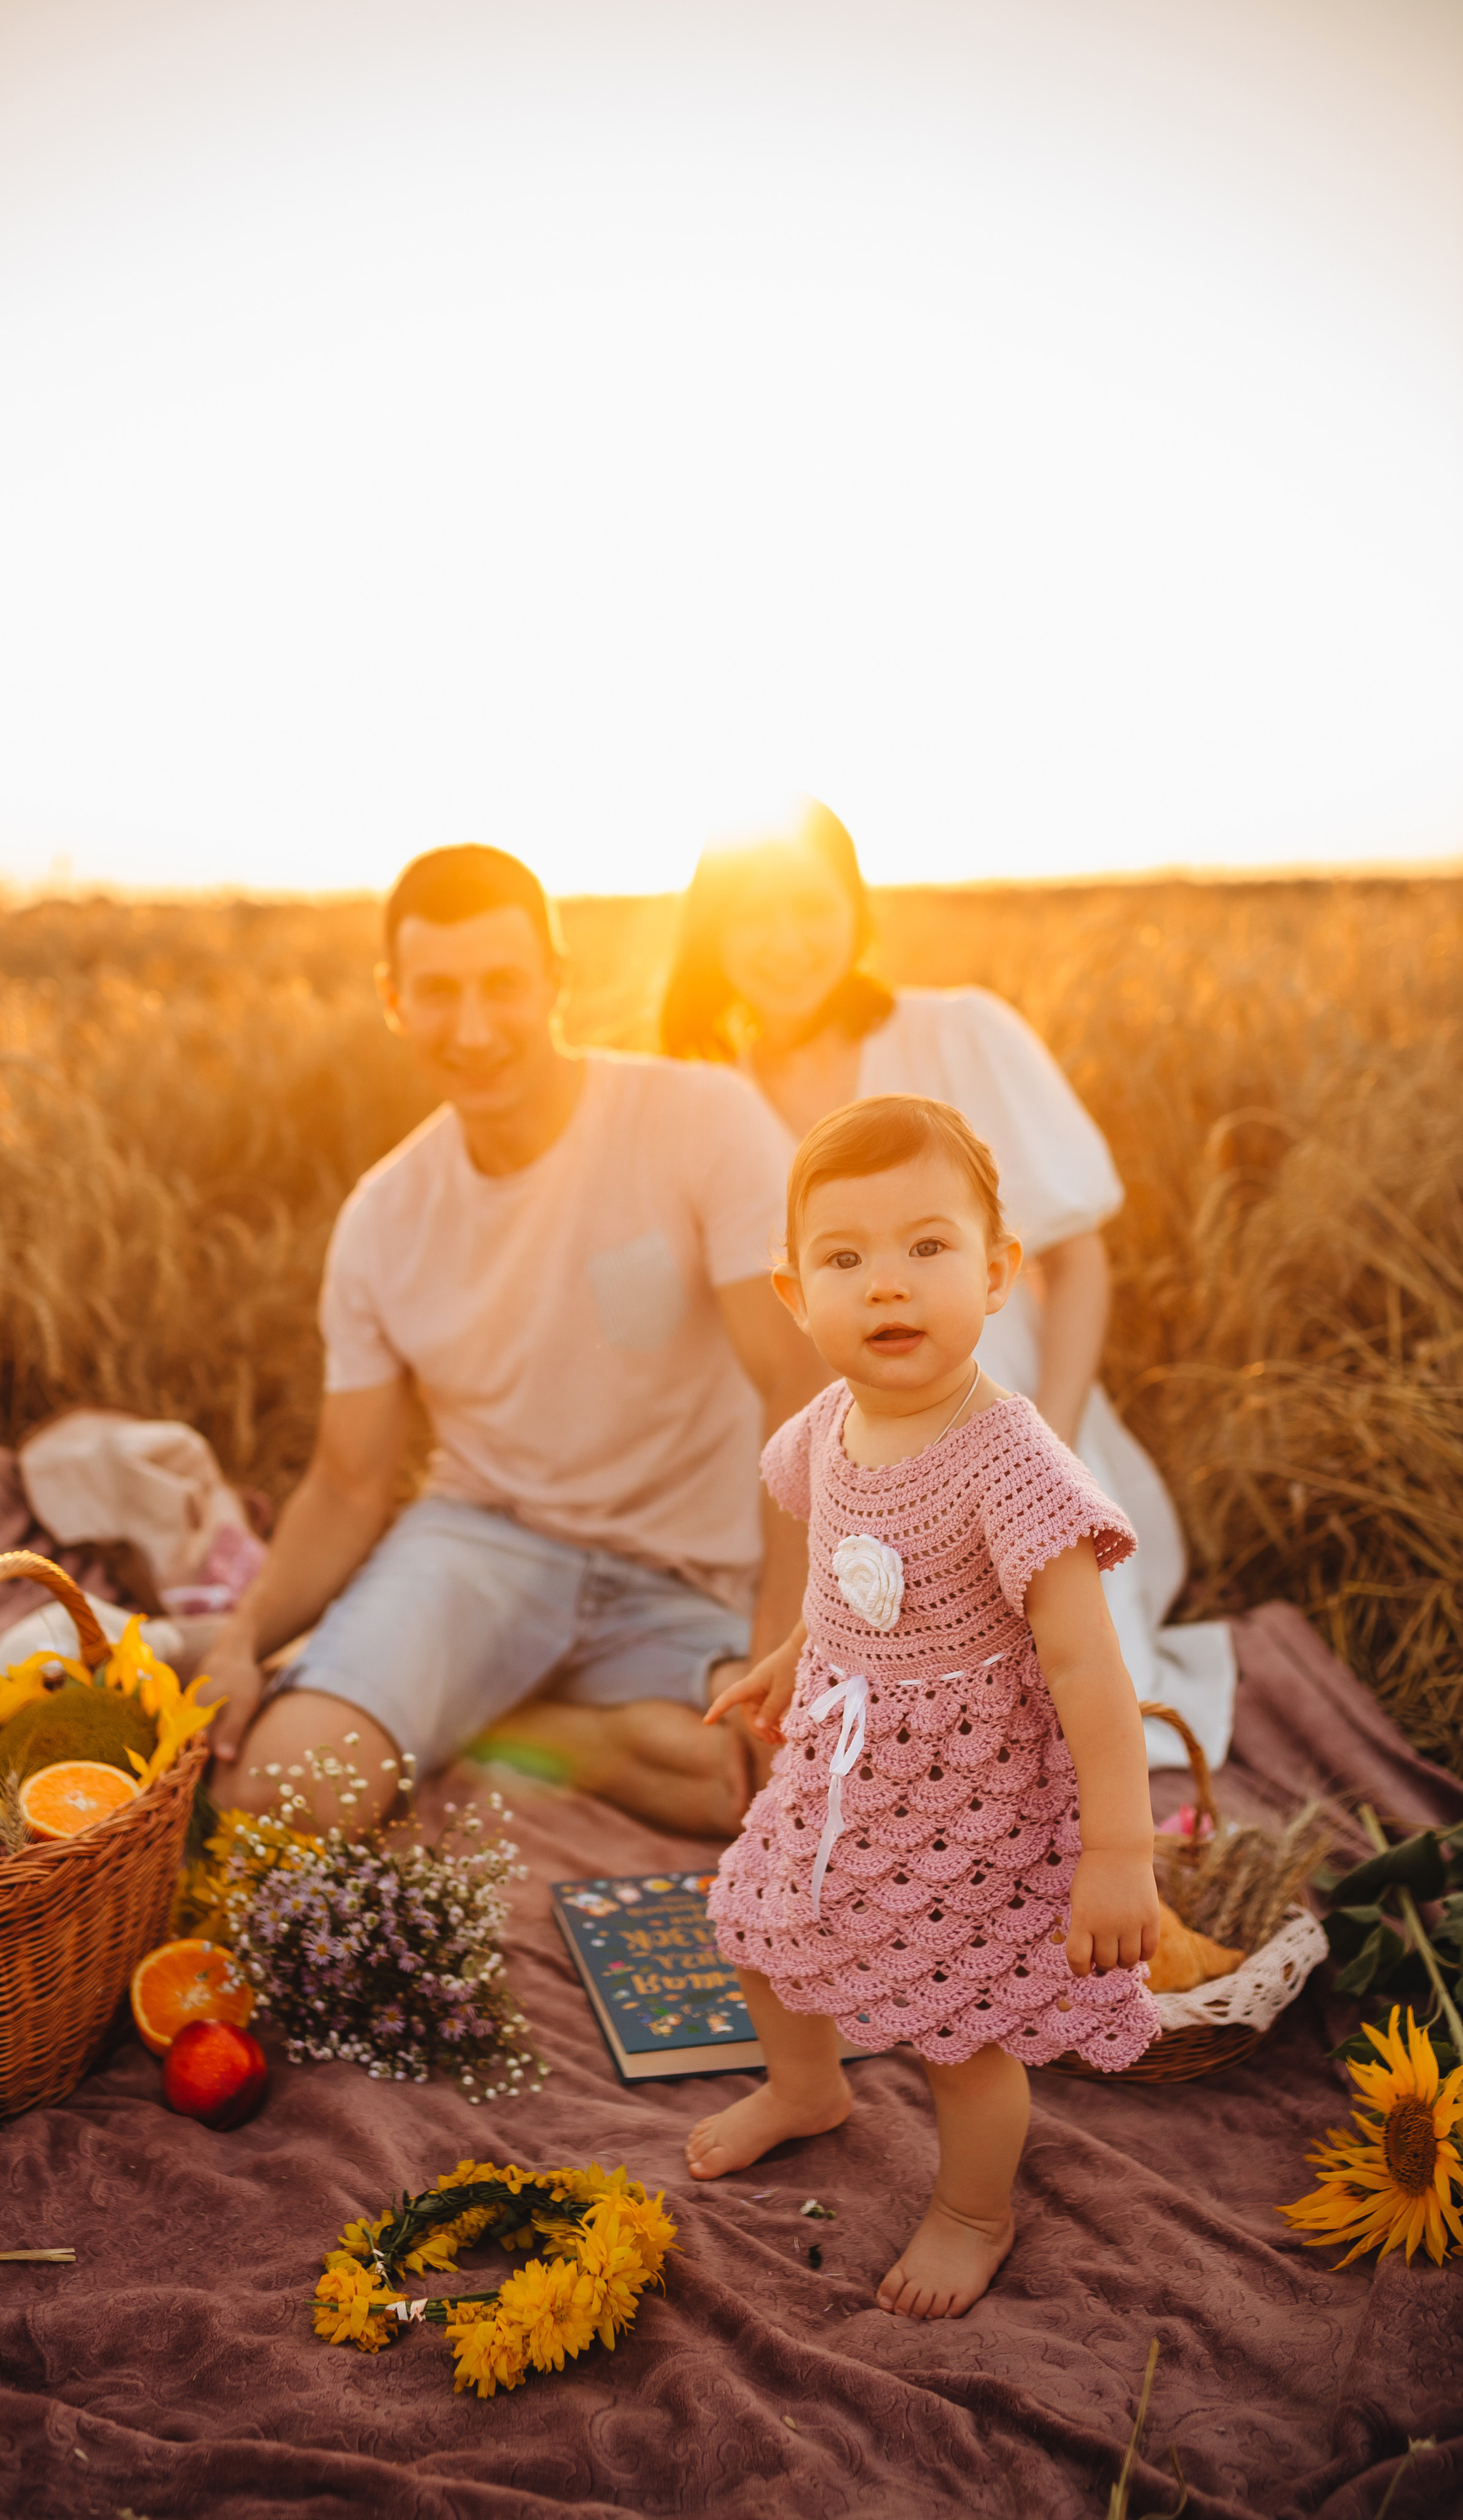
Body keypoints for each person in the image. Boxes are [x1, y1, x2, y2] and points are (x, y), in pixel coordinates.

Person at [204, 845, 825, 1836]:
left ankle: (529, 1726)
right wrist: (242, 1639)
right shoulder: (384, 1217)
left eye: (503, 986)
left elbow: (798, 1389)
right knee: (282, 1794)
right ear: (394, 999)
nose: (475, 1028)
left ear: (558, 983)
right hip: (482, 1549)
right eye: (438, 993)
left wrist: (782, 1647)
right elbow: (349, 1482)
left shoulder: (701, 1119)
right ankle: (445, 1688)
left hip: (684, 1574)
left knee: (775, 1780)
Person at [684, 1095, 1162, 2320]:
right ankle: (808, 2090)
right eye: (846, 1259)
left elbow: (1089, 1672)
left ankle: (972, 2209)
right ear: (797, 1296)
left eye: (927, 1247)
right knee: (759, 1928)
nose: (887, 1287)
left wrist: (1118, 1850)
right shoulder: (829, 1426)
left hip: (968, 1794)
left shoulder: (1013, 1462)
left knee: (964, 2034)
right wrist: (795, 1652)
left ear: (999, 1273)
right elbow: (844, 1569)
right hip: (839, 1763)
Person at [660, 797, 1236, 1771]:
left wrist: (1049, 1437)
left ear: (856, 908)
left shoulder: (960, 1032)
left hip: (999, 1414)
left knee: (1068, 1716)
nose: (785, 942)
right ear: (710, 933)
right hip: (826, 1445)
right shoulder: (702, 1098)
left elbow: (1078, 1256)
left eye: (811, 906)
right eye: (751, 915)